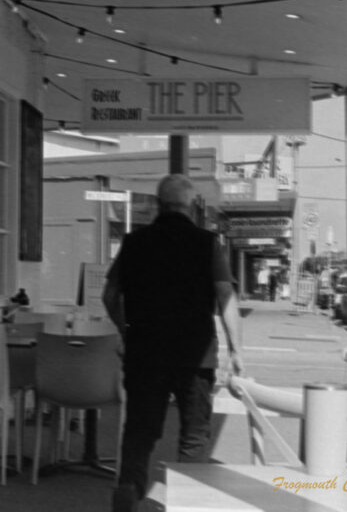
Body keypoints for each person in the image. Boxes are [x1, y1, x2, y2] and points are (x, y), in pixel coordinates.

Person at [103, 174, 244, 512]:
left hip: (144, 353)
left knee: (140, 433)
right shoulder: (208, 243)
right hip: (195, 356)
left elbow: (109, 295)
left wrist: (126, 330)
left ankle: (127, 491)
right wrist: (236, 349)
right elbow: (225, 295)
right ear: (192, 206)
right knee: (194, 437)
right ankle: (188, 503)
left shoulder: (134, 242)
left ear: (157, 205)